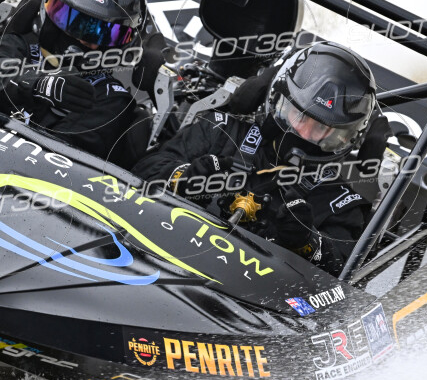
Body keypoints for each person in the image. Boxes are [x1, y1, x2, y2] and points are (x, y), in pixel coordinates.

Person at [133, 42, 387, 276]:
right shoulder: (221, 130)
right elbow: (141, 171)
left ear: (344, 136)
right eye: (300, 117)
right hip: (159, 257)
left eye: (321, 128)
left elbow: (342, 275)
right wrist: (183, 178)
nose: (304, 133)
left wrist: (306, 244)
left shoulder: (340, 202)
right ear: (279, 101)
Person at [0, 0, 147, 163]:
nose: (86, 40)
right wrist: (39, 84)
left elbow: (63, 159)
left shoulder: (110, 97)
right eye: (76, 22)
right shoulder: (15, 45)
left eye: (104, 32)